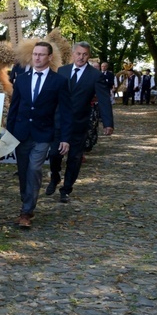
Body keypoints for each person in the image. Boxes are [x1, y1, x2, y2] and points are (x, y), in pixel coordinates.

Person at [6, 43, 71, 228]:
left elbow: (66, 112)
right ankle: (26, 202)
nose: (37, 58)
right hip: (21, 133)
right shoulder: (22, 79)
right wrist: (9, 136)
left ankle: (26, 211)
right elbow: (14, 108)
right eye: (35, 54)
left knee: (35, 169)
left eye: (42, 55)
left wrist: (65, 138)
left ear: (49, 57)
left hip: (43, 134)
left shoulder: (58, 81)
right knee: (24, 171)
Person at [46, 42, 114, 203]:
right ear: (73, 54)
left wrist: (108, 123)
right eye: (78, 53)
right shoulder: (62, 71)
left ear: (88, 56)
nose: (81, 57)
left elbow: (104, 100)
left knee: (74, 158)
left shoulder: (95, 76)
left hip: (79, 122)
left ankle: (66, 189)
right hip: (59, 121)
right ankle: (55, 177)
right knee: (54, 154)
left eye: (84, 54)